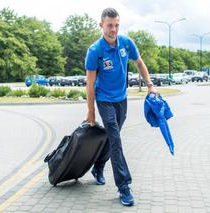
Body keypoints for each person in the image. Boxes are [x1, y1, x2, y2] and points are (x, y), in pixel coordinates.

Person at [85, 7, 157, 206]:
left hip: (121, 99)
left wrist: (150, 85)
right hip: (104, 100)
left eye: (116, 25)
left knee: (112, 137)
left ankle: (98, 167)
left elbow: (140, 63)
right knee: (116, 139)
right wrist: (91, 112)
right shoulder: (95, 51)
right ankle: (124, 187)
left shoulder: (126, 43)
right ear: (101, 25)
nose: (114, 29)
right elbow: (90, 85)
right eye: (109, 25)